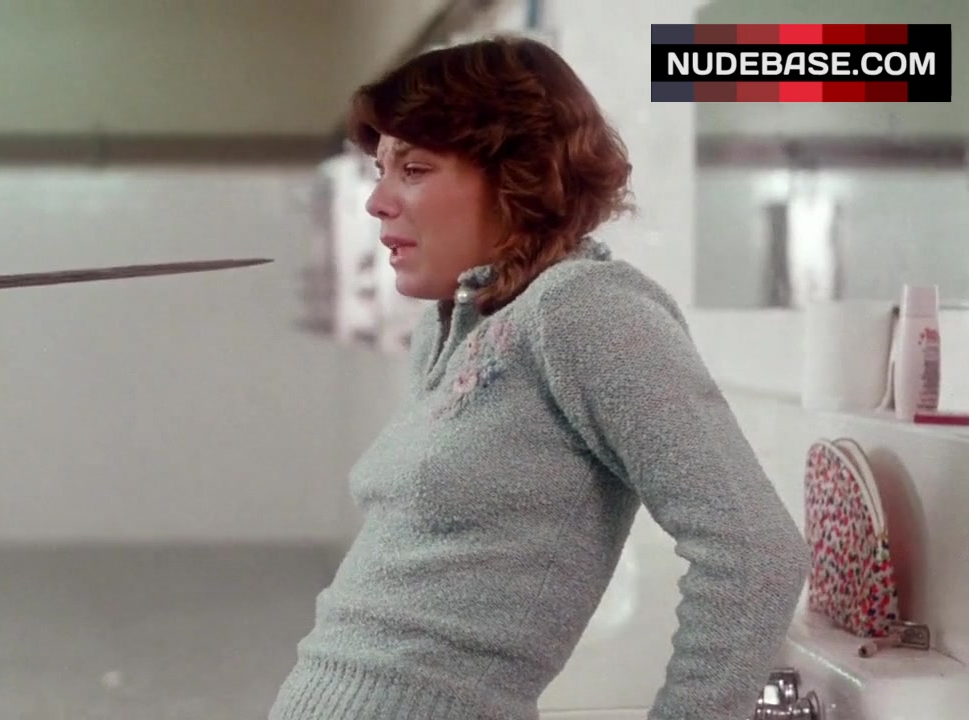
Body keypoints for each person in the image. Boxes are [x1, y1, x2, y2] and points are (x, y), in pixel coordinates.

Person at [268, 34, 810, 720]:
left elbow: (757, 552)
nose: (377, 200)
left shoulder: (586, 309)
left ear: (514, 176)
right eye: (380, 169)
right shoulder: (449, 323)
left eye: (414, 168)